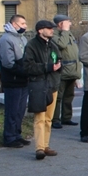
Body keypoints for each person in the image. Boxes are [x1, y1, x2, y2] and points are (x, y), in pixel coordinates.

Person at [23, 19, 62, 160]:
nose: (52, 30)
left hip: (53, 85)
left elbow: (59, 60)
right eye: (49, 28)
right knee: (39, 118)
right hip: (38, 85)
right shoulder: (31, 45)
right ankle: (39, 148)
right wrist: (48, 67)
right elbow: (28, 67)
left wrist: (59, 67)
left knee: (48, 119)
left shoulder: (53, 45)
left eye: (52, 28)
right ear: (40, 30)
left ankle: (46, 145)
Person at [0, 14, 30, 148]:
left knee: (20, 111)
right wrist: (25, 71)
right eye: (22, 24)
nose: (25, 26)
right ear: (14, 24)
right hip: (13, 80)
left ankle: (17, 135)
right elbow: (8, 63)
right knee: (12, 110)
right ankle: (9, 137)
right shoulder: (6, 40)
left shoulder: (22, 38)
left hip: (23, 80)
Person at [51, 15, 80, 129]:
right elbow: (61, 45)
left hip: (72, 70)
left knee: (69, 96)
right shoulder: (54, 35)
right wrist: (65, 31)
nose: (70, 24)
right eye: (67, 22)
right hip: (62, 71)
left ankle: (66, 118)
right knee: (58, 96)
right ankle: (55, 119)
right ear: (60, 24)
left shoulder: (69, 34)